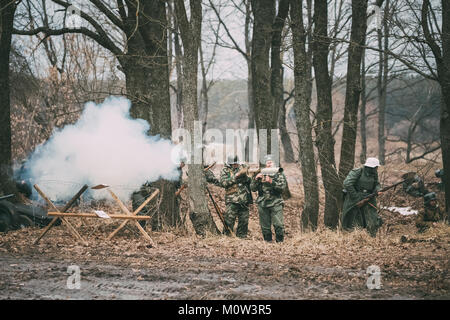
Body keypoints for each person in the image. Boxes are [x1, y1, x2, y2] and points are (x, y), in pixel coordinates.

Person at [341, 157, 383, 237]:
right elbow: (347, 183)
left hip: (369, 198)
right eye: (374, 167)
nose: (376, 169)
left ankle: (372, 237)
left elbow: (376, 184)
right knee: (354, 219)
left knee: (372, 219)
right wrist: (357, 197)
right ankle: (354, 237)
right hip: (355, 198)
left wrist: (378, 190)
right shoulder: (358, 172)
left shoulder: (374, 174)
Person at [250, 154, 287, 243]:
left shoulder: (279, 173)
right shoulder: (260, 173)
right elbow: (253, 188)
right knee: (265, 226)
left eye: (271, 162)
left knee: (278, 225)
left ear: (274, 163)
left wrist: (272, 182)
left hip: (276, 202)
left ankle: (280, 242)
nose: (269, 164)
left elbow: (282, 188)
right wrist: (256, 179)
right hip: (262, 202)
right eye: (267, 162)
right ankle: (268, 242)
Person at [219, 155, 252, 238]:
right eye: (233, 164)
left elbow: (251, 179)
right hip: (232, 200)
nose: (235, 165)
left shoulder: (243, 168)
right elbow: (223, 183)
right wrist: (235, 177)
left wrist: (246, 179)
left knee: (244, 220)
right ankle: (227, 237)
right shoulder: (225, 170)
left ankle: (242, 237)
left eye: (236, 163)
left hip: (244, 199)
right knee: (229, 220)